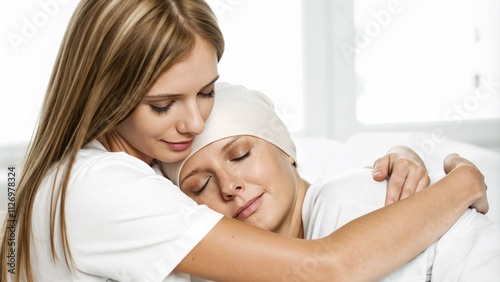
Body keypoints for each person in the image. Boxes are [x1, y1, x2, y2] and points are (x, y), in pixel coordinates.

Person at [0, 1, 488, 281]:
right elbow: (327, 268)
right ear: (105, 92)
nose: (193, 123)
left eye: (207, 91)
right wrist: (463, 180)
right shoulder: (104, 188)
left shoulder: (118, 167)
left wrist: (406, 154)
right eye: (163, 105)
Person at [162, 83, 500, 281]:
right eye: (200, 186)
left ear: (287, 151)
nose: (229, 186)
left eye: (240, 155)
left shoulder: (342, 200)